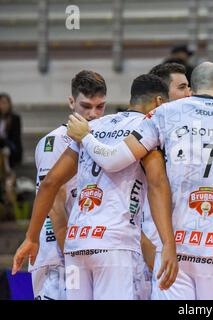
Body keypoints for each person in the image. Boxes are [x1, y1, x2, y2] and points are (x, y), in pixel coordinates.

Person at [64, 62, 213, 300]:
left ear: (192, 88)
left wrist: (86, 136)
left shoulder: (166, 113)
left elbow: (114, 160)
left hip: (175, 247)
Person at [12, 74, 178, 300]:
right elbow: (157, 184)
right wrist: (168, 243)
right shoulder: (148, 126)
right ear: (159, 102)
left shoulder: (95, 126)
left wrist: (31, 237)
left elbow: (50, 183)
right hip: (113, 244)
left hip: (76, 245)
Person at [28, 70, 108, 300]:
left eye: (100, 106)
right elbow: (54, 206)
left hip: (85, 250)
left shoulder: (100, 140)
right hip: (57, 256)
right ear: (71, 102)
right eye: (86, 106)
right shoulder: (54, 142)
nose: (93, 114)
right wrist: (73, 256)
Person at [0, 93, 22, 168]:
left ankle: (7, 172)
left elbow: (15, 137)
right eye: (0, 103)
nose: (2, 106)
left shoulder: (15, 118)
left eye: (4, 103)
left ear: (9, 104)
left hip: (10, 146)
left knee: (5, 151)